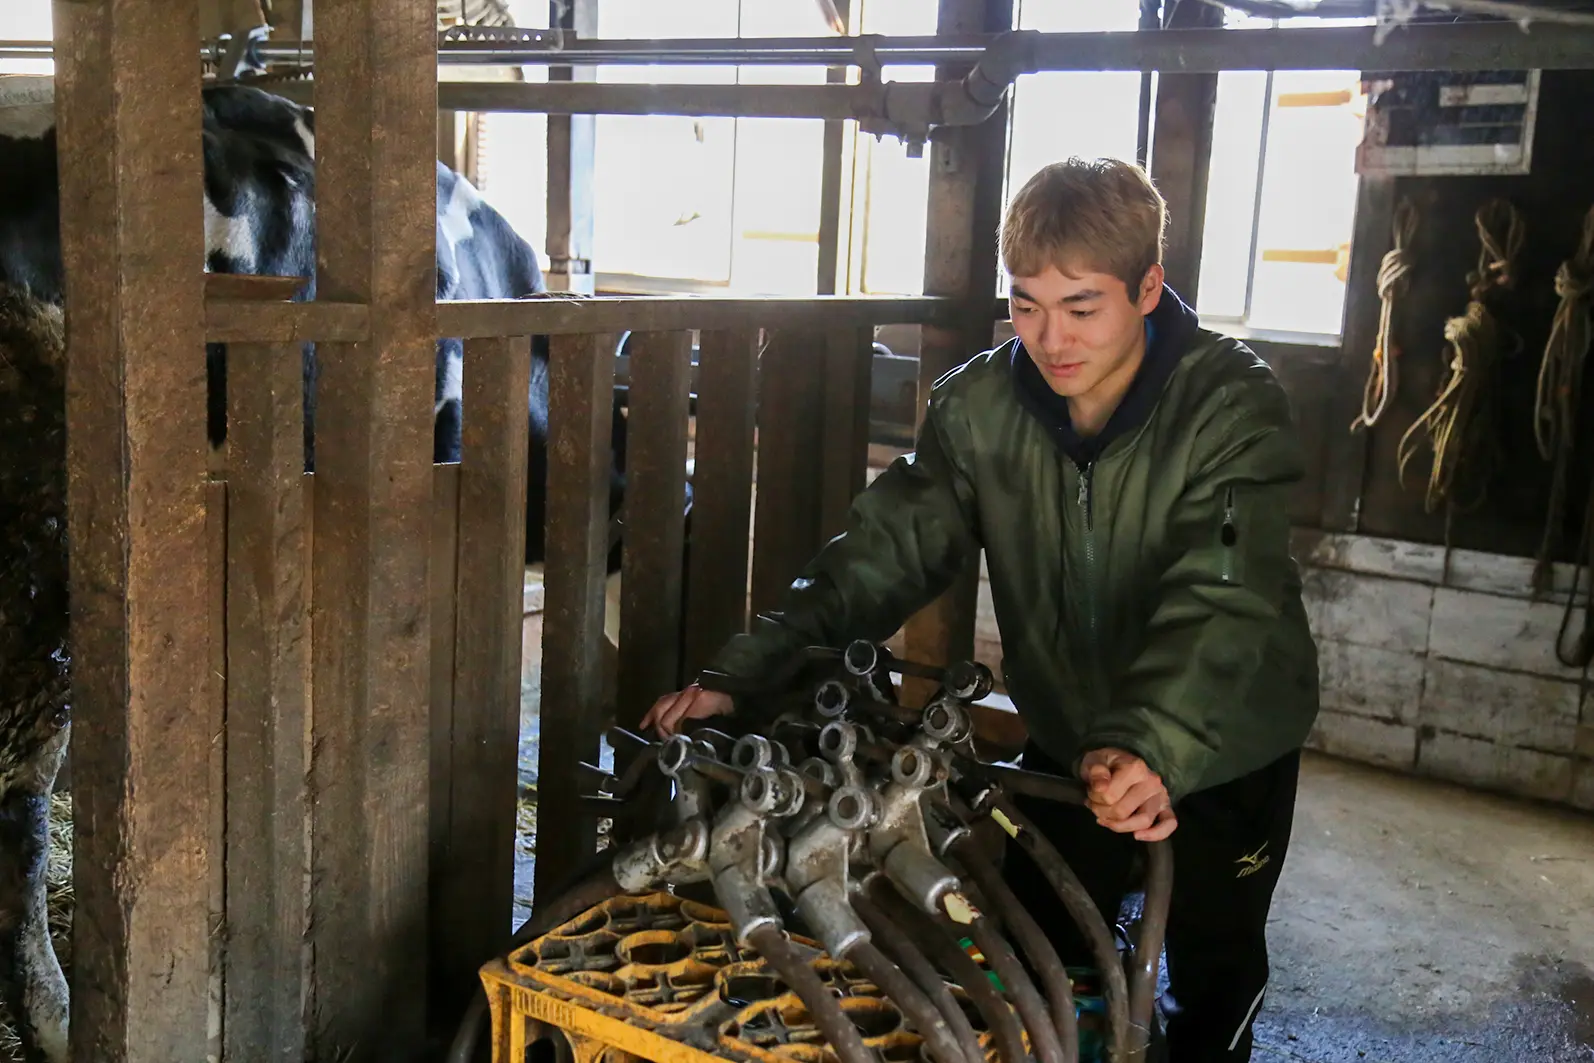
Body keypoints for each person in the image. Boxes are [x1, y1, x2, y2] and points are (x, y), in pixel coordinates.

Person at [642, 156, 1320, 1060]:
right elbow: (880, 559)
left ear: (1149, 287)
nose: (1051, 337)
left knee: (1212, 963)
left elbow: (1224, 599)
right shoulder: (981, 407)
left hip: (1226, 735)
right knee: (1045, 955)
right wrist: (746, 672)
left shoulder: (1230, 403)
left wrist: (1156, 741)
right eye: (1026, 304)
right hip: (1074, 733)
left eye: (1082, 306)